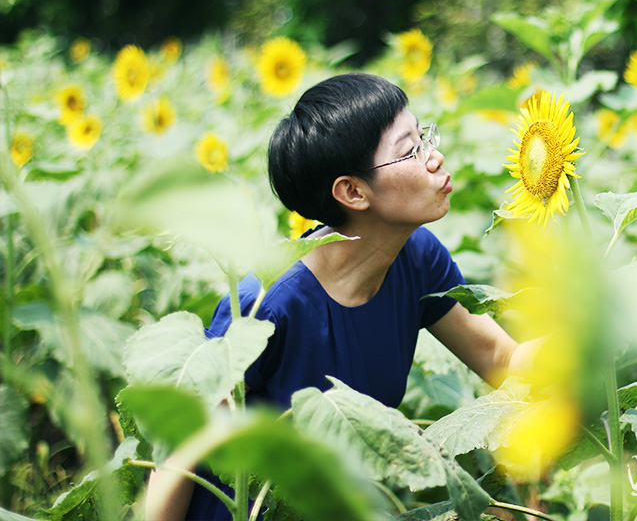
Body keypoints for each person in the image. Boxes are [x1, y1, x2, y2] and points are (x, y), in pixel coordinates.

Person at [144, 73, 537, 520]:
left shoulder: (419, 258)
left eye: (424, 137)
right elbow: (180, 452)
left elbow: (500, 359)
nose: (435, 157)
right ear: (352, 192)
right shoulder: (269, 303)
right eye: (411, 150)